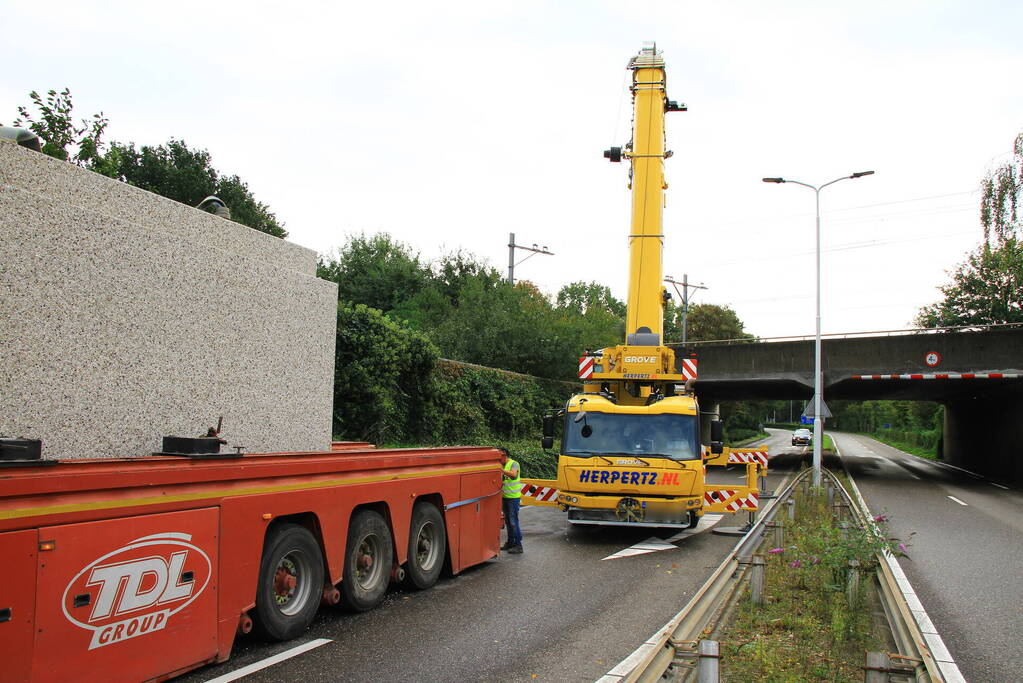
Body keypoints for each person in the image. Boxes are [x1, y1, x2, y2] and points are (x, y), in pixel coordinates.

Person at [500, 450, 523, 554]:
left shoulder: (514, 464)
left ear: (504, 455)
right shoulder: (502, 465)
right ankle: (510, 542)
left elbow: (513, 475)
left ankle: (518, 545)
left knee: (513, 522)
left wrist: (501, 470)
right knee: (508, 521)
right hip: (505, 497)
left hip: (513, 498)